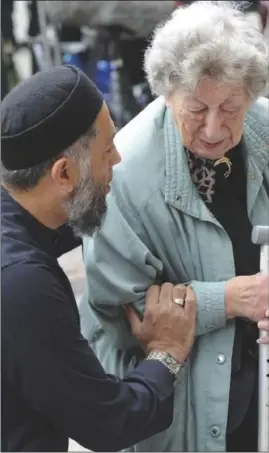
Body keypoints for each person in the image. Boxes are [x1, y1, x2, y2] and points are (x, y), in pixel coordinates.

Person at [81, 1, 269, 452]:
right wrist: (233, 299)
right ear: (167, 94)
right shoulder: (124, 173)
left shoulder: (263, 132)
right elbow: (124, 312)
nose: (212, 127)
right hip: (178, 407)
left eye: (229, 107)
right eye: (197, 108)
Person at [1, 65, 197, 452]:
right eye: (107, 150)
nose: (119, 159)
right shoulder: (22, 286)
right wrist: (167, 354)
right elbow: (107, 422)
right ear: (63, 172)